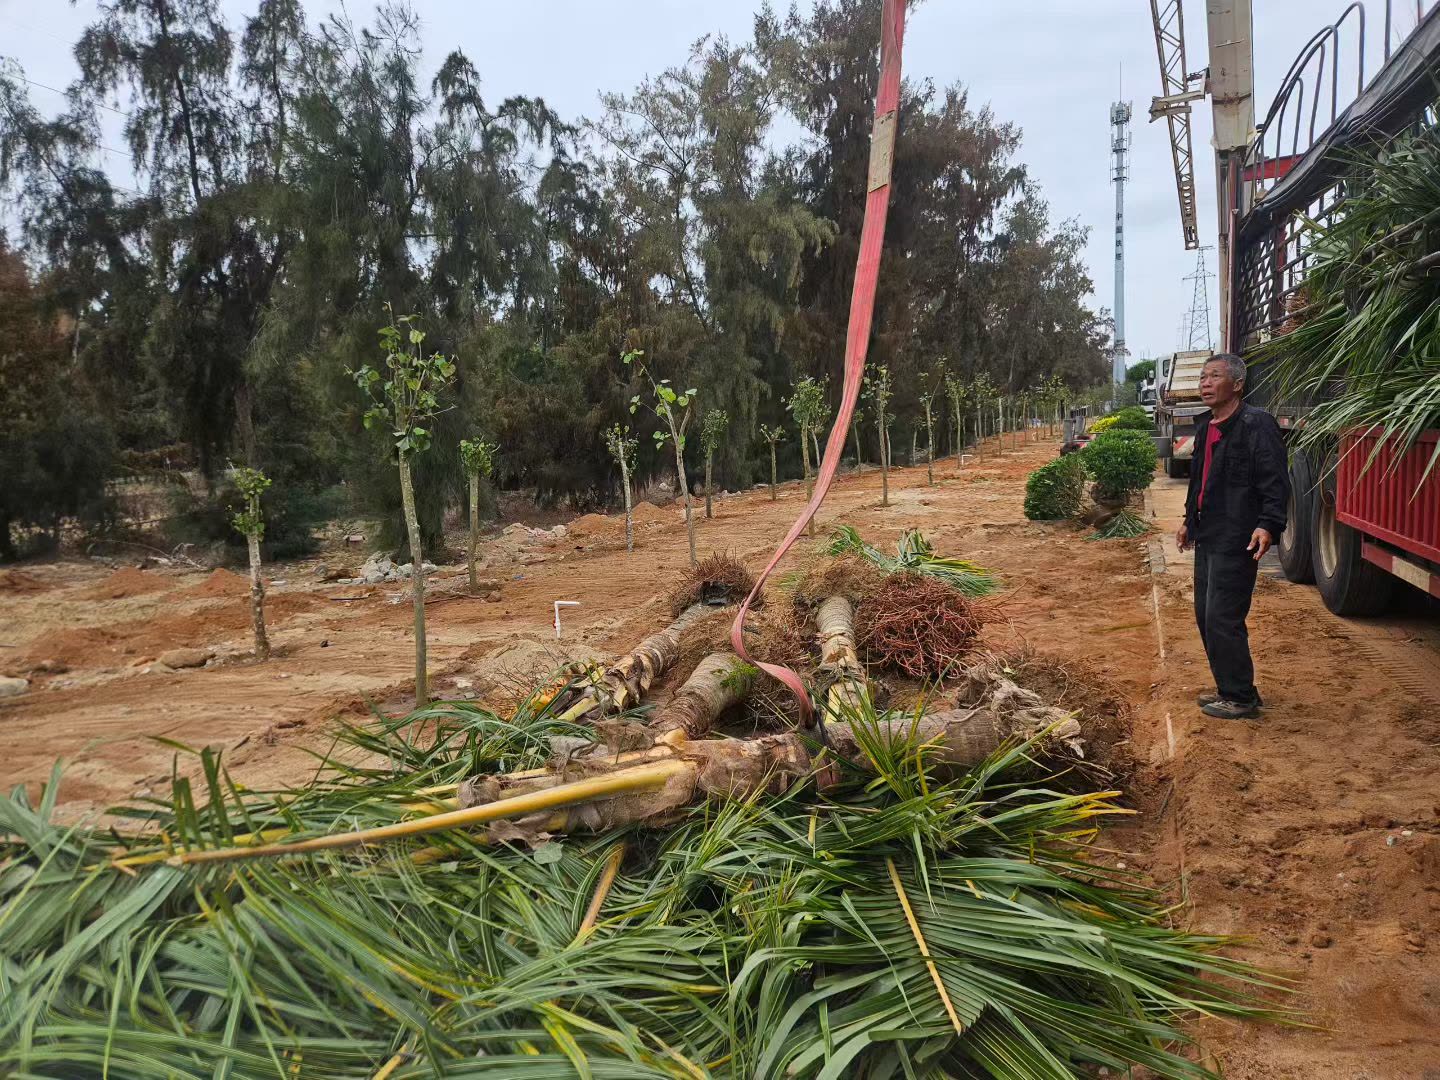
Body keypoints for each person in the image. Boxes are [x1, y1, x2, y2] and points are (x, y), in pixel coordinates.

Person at [1174, 353, 1290, 720]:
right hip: (1209, 533)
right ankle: (1232, 687)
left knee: (1224, 617)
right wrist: (1188, 521)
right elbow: (1200, 482)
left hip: (1237, 536)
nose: (1205, 383)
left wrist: (1268, 523)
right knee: (1205, 615)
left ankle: (1240, 697)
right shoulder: (1208, 426)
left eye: (1214, 376)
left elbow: (1275, 480)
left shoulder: (1257, 425)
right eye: (1203, 377)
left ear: (1237, 384)